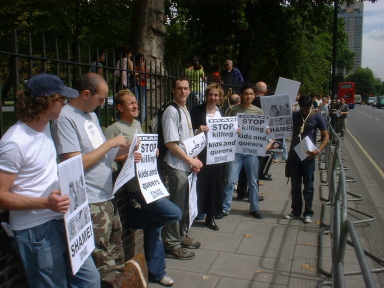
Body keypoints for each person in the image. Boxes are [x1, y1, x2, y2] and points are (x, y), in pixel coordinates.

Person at [0, 73, 100, 288]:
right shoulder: (14, 142)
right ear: (45, 101)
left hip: (63, 219)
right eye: (60, 99)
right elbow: (1, 196)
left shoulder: (46, 126)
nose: (65, 104)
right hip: (35, 229)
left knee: (90, 280)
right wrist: (45, 203)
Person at [52, 73, 137, 288]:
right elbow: (74, 164)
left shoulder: (90, 115)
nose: (102, 104)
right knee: (102, 263)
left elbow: (102, 155)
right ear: (86, 94)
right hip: (89, 202)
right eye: (101, 99)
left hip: (107, 196)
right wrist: (110, 144)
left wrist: (129, 149)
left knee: (115, 255)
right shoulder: (65, 118)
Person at [103, 89, 182, 287]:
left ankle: (156, 271)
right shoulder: (113, 130)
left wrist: (151, 151)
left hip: (151, 182)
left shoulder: (137, 124)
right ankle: (132, 218)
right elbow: (106, 161)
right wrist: (125, 157)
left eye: (135, 102)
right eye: (130, 103)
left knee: (154, 225)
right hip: (136, 187)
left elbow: (141, 148)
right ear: (120, 107)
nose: (135, 105)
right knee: (173, 213)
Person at [161, 77, 203, 260]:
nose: (183, 91)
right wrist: (190, 160)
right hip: (176, 165)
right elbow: (170, 142)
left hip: (185, 164)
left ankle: (180, 235)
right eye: (179, 88)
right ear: (173, 90)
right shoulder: (171, 111)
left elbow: (184, 139)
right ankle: (171, 244)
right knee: (176, 207)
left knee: (185, 205)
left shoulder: (183, 109)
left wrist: (193, 155)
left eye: (186, 88)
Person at [221, 84, 265, 219]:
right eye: (246, 93)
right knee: (230, 180)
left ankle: (254, 207)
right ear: (241, 95)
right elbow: (225, 126)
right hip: (236, 151)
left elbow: (262, 129)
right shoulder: (233, 110)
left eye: (251, 94)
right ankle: (225, 208)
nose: (249, 96)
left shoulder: (259, 112)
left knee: (253, 181)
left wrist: (266, 130)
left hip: (251, 151)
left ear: (254, 95)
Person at [284, 94, 329, 223]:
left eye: (306, 109)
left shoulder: (317, 117)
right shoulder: (294, 115)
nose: (304, 111)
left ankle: (308, 212)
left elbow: (326, 136)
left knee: (308, 185)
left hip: (309, 155)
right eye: (302, 109)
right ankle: (295, 210)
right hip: (294, 155)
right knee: (295, 185)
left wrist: (318, 150)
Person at [190, 83, 226, 231]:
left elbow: (227, 131)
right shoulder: (197, 111)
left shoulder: (222, 112)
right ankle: (197, 212)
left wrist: (234, 131)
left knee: (215, 186)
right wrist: (198, 130)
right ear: (206, 95)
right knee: (200, 184)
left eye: (216, 95)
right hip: (202, 154)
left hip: (218, 155)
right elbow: (188, 130)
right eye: (211, 94)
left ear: (220, 97)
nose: (213, 98)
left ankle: (210, 217)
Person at [134, 53, 149, 123]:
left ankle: (142, 119)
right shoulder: (135, 67)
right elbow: (134, 76)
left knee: (143, 103)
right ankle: (135, 117)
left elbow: (145, 76)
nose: (141, 60)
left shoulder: (145, 68)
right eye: (140, 59)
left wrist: (141, 66)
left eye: (142, 59)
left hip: (143, 86)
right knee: (136, 101)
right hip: (136, 86)